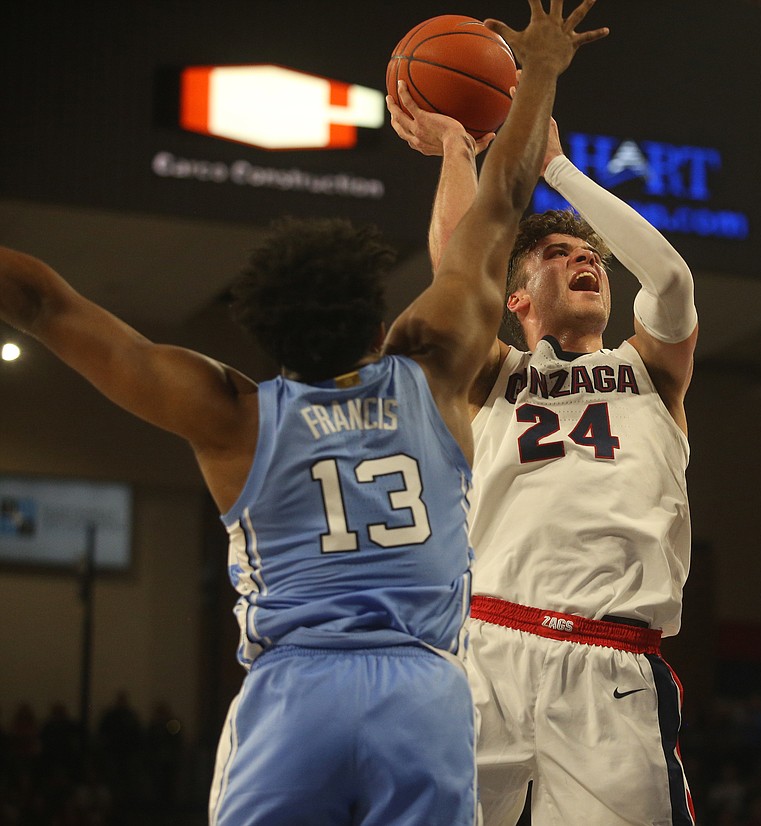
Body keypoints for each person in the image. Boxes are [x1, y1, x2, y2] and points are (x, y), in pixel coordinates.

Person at [0, 2, 606, 822]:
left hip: (295, 694)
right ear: (377, 318)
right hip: (422, 692)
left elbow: (40, 302)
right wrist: (537, 73)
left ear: (265, 332)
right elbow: (500, 204)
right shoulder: (430, 371)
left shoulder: (233, 416)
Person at [388, 60, 699, 826]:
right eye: (558, 255)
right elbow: (460, 272)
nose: (585, 259)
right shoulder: (494, 372)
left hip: (612, 665)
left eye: (590, 256)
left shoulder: (648, 372)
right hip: (487, 646)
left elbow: (670, 275)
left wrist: (557, 167)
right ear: (517, 297)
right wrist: (461, 151)